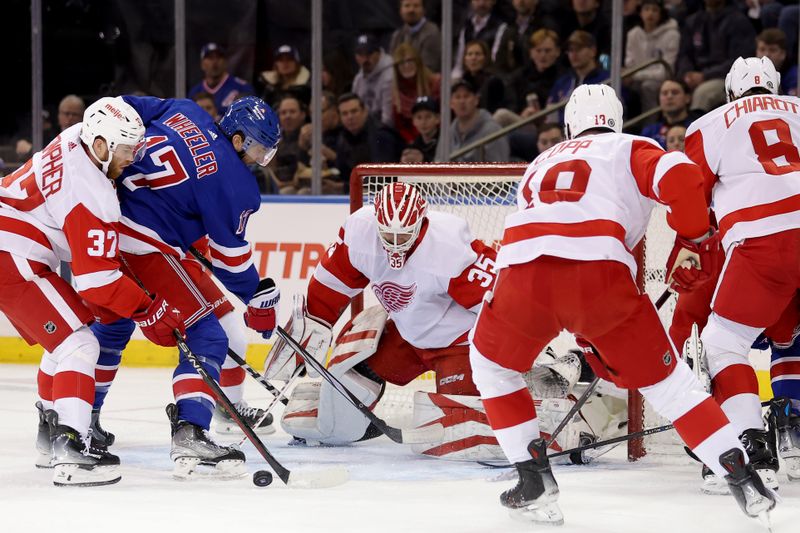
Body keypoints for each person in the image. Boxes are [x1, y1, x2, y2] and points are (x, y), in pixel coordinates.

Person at [469, 84, 776, 525]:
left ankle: (532, 476)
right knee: (671, 386)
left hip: (522, 271)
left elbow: (550, 236)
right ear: (616, 119)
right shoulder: (631, 146)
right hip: (600, 274)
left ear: (569, 125)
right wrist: (693, 236)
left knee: (491, 367)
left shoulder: (540, 162)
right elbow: (684, 179)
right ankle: (744, 478)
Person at [84, 95, 282, 478]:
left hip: (103, 230)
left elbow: (124, 106)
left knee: (111, 327)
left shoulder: (185, 110)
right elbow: (230, 258)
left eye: (267, 153)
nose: (259, 160)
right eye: (257, 148)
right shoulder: (237, 183)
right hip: (144, 244)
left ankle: (78, 422)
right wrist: (255, 296)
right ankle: (191, 431)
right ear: (238, 138)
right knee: (207, 335)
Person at [1, 97, 184, 486]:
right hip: (12, 253)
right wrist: (149, 308)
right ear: (100, 144)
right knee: (79, 346)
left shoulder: (74, 137)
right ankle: (71, 447)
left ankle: (50, 436)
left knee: (66, 341)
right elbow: (96, 282)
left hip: (16, 247)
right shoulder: (92, 192)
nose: (131, 159)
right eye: (125, 150)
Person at [267, 182, 510, 460]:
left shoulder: (450, 248)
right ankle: (351, 425)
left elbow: (501, 306)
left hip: (458, 344)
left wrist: (516, 351)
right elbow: (330, 286)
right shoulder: (360, 232)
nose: (395, 245)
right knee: (352, 378)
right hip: (407, 336)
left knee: (460, 430)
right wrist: (311, 326)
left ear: (421, 223)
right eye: (388, 235)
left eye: (403, 235)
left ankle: (527, 387)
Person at [682, 56, 800, 493]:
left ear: (732, 92)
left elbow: (689, 197)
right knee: (791, 333)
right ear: (774, 86)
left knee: (722, 342)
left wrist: (696, 235)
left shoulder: (710, 123)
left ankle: (752, 450)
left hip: (763, 240)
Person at [676, 0, 755, 112]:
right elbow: (684, 54)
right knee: (672, 89)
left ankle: (697, 129)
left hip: (725, 78)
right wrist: (687, 75)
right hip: (696, 75)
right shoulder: (693, 21)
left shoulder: (738, 21)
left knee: (702, 93)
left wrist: (704, 76)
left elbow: (740, 61)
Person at [334, 93, 402, 193]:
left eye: (354, 111)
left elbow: (382, 179)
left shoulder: (381, 135)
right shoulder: (343, 137)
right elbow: (343, 172)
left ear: (364, 111)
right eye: (345, 113)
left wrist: (344, 187)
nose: (350, 117)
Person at [624, 0, 680, 112]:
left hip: (660, 81)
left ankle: (649, 124)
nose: (650, 13)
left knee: (648, 86)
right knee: (620, 85)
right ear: (640, 12)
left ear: (661, 13)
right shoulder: (633, 34)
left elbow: (666, 71)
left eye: (655, 10)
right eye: (646, 9)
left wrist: (635, 76)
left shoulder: (672, 34)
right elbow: (629, 64)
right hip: (637, 79)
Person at [437, 79, 509, 163]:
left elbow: (499, 169)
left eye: (466, 96)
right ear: (451, 104)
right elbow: (438, 162)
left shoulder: (492, 130)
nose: (462, 101)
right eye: (457, 97)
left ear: (476, 100)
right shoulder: (448, 133)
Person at [452, 0, 517, 78]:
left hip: (490, 78)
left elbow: (494, 61)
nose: (481, 3)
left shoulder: (501, 28)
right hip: (468, 78)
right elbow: (459, 63)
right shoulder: (466, 27)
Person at [187, 43, 255, 116]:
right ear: (202, 64)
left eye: (219, 57)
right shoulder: (195, 92)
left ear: (225, 62)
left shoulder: (242, 88)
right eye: (210, 58)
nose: (215, 62)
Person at [391, 43, 440, 143]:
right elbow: (401, 127)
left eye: (410, 61)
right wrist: (413, 142)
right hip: (412, 142)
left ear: (418, 62)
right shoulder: (396, 93)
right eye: (402, 63)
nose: (407, 65)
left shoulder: (435, 83)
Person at [351, 34, 395, 127]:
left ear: (378, 53)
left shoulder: (390, 75)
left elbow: (388, 118)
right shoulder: (359, 78)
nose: (365, 59)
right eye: (360, 54)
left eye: (369, 54)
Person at [640, 79, 697, 148]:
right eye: (664, 93)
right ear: (659, 100)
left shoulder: (697, 127)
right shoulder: (649, 132)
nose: (669, 96)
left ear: (687, 98)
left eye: (675, 92)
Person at [389, 0, 442, 73]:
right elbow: (392, 64)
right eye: (407, 6)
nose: (411, 10)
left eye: (416, 6)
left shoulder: (432, 32)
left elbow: (428, 68)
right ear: (400, 11)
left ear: (424, 10)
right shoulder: (397, 35)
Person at [460, 40, 508, 114]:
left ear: (486, 58)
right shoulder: (462, 83)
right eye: (469, 54)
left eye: (478, 54)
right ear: (465, 60)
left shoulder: (494, 81)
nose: (473, 58)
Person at [756, 28, 798, 97]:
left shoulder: (795, 77)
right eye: (762, 49)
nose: (766, 55)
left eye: (772, 50)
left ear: (783, 54)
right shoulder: (748, 74)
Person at [408, 96, 441, 162]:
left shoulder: (445, 141)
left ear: (437, 118)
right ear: (413, 121)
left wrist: (424, 160)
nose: (423, 122)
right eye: (419, 117)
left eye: (428, 117)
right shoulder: (413, 146)